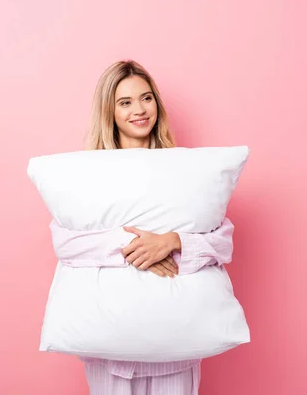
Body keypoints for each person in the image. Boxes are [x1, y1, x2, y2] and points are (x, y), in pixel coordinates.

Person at [50, 60, 235, 394]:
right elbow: (66, 244)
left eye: (146, 98)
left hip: (176, 347)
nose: (139, 110)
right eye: (125, 102)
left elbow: (222, 243)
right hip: (110, 350)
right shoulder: (87, 175)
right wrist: (136, 249)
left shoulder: (188, 171)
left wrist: (172, 241)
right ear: (110, 111)